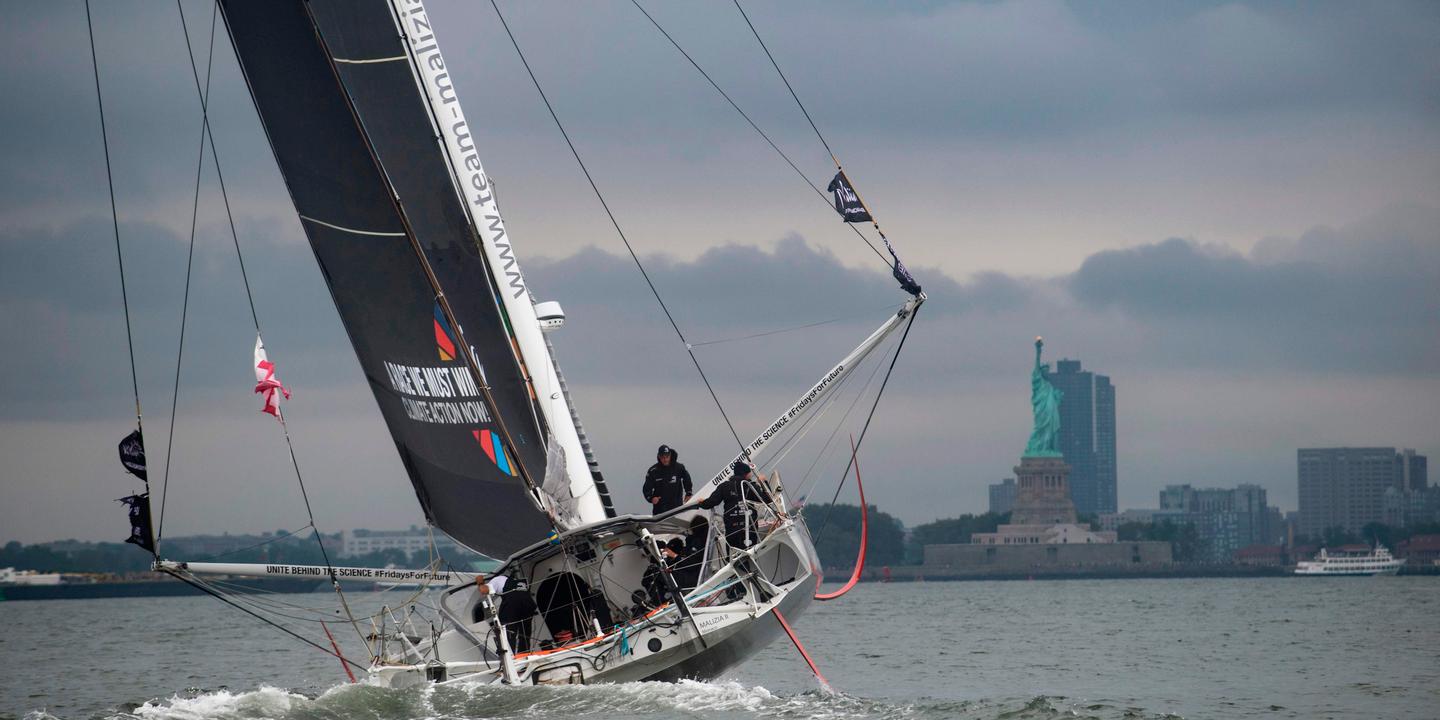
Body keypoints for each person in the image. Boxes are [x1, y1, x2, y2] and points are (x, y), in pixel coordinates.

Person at [699, 461, 773, 550]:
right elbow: (768, 499)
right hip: (749, 528)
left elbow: (711, 502)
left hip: (731, 528)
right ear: (745, 474)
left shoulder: (724, 486)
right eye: (749, 473)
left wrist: (701, 502)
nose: (750, 475)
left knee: (732, 556)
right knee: (749, 554)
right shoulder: (750, 485)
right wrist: (763, 482)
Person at [473, 574, 538, 653]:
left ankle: (510, 655)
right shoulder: (517, 581)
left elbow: (484, 590)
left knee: (508, 631)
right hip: (528, 603)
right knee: (525, 633)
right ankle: (524, 654)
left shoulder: (498, 579)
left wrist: (480, 582)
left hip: (513, 602)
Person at [642, 444, 692, 514]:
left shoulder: (679, 467)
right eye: (663, 457)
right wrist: (651, 498)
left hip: (677, 508)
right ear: (659, 457)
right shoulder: (653, 471)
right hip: (660, 511)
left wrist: (688, 492)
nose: (665, 459)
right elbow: (647, 488)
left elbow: (687, 479)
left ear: (670, 455)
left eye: (667, 457)